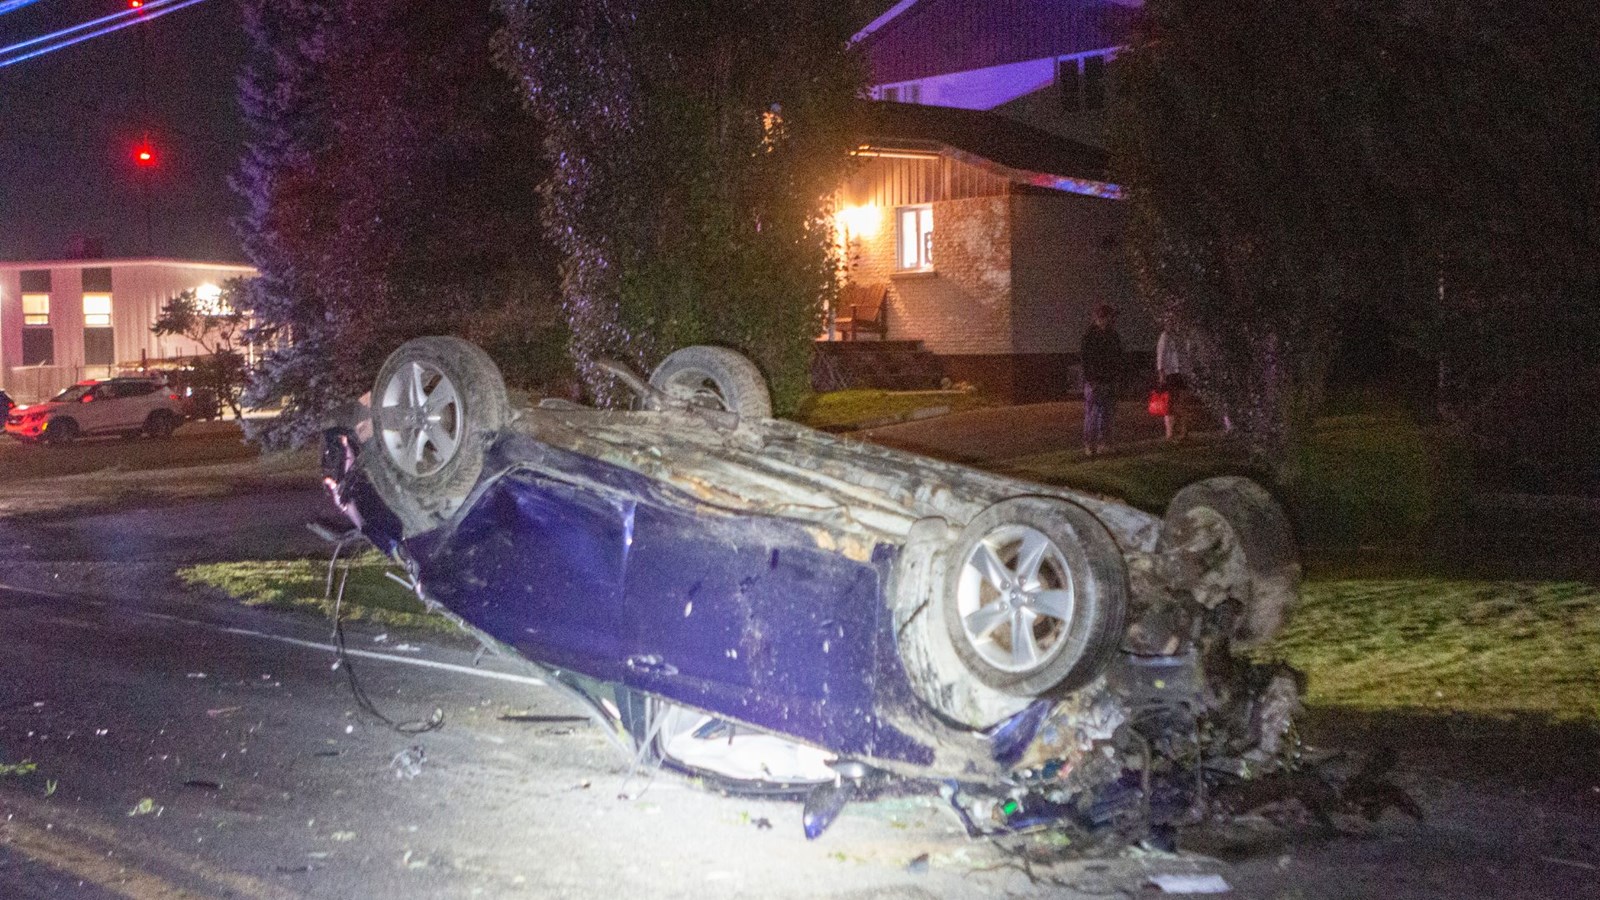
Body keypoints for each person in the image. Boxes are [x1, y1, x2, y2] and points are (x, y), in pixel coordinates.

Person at [1079, 303, 1123, 456]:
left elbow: (1118, 357)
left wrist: (1116, 377)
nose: (1113, 320)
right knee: (1092, 414)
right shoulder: (1090, 337)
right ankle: (1090, 445)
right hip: (1095, 381)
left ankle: (1105, 443)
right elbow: (1086, 361)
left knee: (1108, 414)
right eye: (1111, 317)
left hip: (1109, 380)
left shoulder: (1113, 335)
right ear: (1102, 318)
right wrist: (1091, 380)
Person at [1156, 328, 1191, 441]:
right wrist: (1161, 372)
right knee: (1170, 402)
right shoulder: (1166, 335)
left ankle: (1183, 431)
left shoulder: (1183, 334)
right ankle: (1170, 432)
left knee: (1182, 402)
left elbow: (1188, 352)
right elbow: (1161, 354)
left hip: (1182, 371)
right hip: (1170, 372)